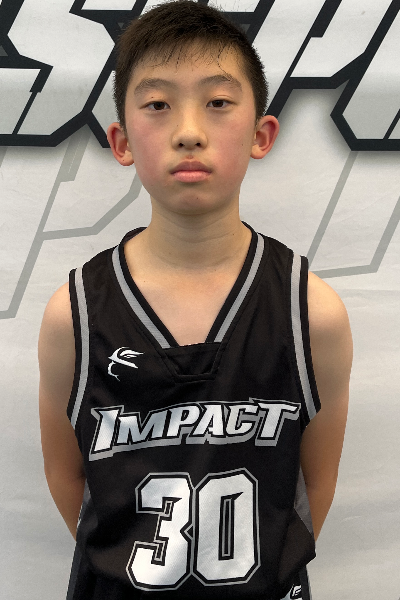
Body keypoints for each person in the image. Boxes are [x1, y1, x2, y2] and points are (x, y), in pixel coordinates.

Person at [38, 2, 353, 599]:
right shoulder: (73, 314)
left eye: (218, 102)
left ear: (261, 134)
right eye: (158, 104)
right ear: (122, 141)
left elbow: (313, 488)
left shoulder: (311, 312)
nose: (189, 130)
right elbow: (67, 477)